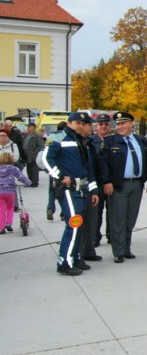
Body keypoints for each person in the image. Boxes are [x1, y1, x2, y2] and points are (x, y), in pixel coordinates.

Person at [42, 112, 99, 276]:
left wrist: (93, 189)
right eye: (79, 123)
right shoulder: (59, 137)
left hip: (82, 188)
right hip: (67, 189)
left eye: (84, 123)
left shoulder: (83, 141)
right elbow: (47, 159)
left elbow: (88, 168)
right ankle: (64, 262)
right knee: (74, 224)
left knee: (79, 226)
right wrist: (60, 176)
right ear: (71, 123)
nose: (82, 126)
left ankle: (74, 257)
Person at [99, 111, 147, 264]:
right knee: (118, 219)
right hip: (119, 185)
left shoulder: (141, 140)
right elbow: (103, 164)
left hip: (137, 184)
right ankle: (118, 251)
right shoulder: (110, 141)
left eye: (123, 123)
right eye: (118, 124)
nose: (120, 127)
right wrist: (107, 182)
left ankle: (126, 249)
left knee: (130, 219)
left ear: (132, 124)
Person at [88, 114, 113, 251]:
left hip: (111, 182)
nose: (103, 126)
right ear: (96, 126)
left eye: (106, 124)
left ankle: (111, 235)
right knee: (96, 212)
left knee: (112, 211)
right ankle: (95, 237)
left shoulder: (114, 140)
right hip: (96, 182)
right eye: (101, 124)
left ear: (110, 126)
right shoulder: (91, 141)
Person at [0, 152, 31, 234]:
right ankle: (8, 223)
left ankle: (1, 228)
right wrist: (28, 182)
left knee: (1, 209)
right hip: (10, 191)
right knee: (10, 207)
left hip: (0, 192)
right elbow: (21, 177)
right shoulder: (13, 168)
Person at [43, 121, 67, 222]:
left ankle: (50, 208)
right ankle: (63, 213)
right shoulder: (67, 136)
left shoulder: (51, 136)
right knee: (63, 190)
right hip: (64, 167)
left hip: (53, 167)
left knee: (52, 189)